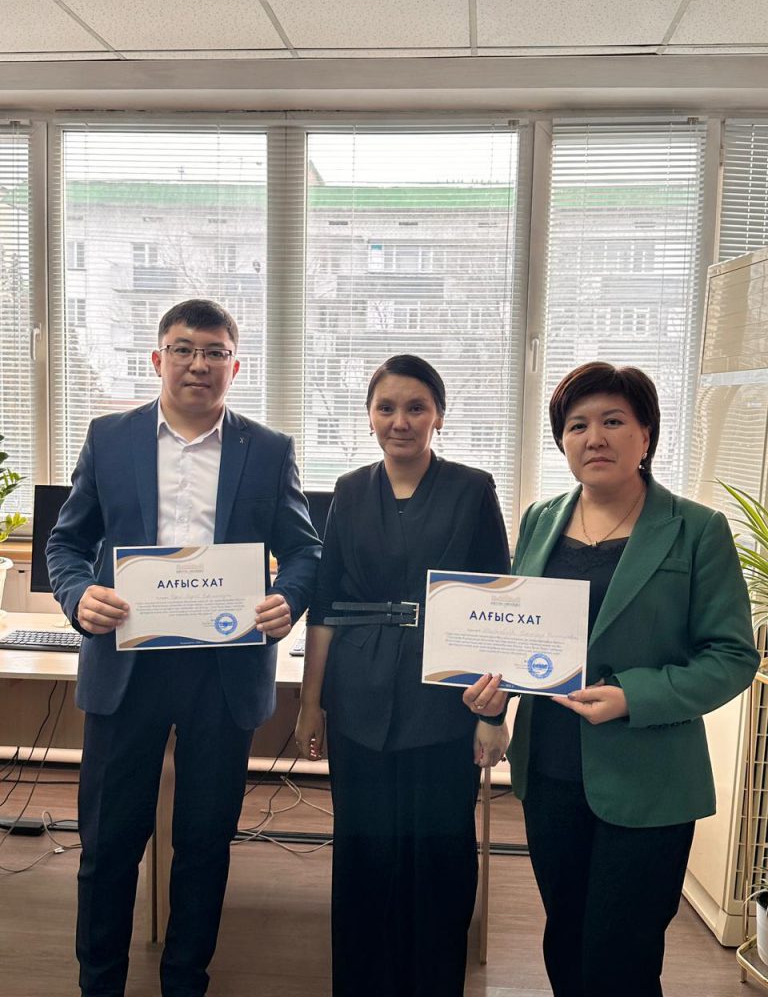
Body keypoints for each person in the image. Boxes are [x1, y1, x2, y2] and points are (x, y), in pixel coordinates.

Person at [46, 298, 321, 997]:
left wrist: (287, 598)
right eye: (184, 349)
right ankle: (99, 984)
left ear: (235, 365)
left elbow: (304, 551)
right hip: (127, 667)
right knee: (108, 845)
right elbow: (66, 543)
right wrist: (78, 596)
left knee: (203, 844)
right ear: (157, 358)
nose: (199, 364)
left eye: (214, 352)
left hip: (222, 673)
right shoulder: (109, 438)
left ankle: (185, 981)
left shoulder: (269, 450)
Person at [465, 361, 760, 997]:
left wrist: (635, 696)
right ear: (562, 441)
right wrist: (492, 696)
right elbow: (522, 634)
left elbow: (733, 656)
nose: (594, 437)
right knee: (565, 938)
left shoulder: (695, 529)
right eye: (577, 425)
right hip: (550, 771)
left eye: (613, 421)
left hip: (649, 778)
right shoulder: (541, 518)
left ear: (646, 435)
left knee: (621, 956)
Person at [295, 354, 511, 997]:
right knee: (364, 851)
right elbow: (326, 604)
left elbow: (498, 605)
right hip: (357, 692)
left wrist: (493, 714)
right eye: (386, 408)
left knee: (440, 853)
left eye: (416, 407)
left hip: (445, 693)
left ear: (438, 416)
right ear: (369, 417)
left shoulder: (473, 488)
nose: (401, 421)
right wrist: (310, 703)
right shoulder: (349, 490)